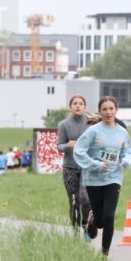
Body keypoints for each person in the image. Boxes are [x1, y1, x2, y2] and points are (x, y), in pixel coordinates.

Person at [73, 96, 131, 256]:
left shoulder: (122, 132)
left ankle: (104, 253)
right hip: (93, 179)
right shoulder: (93, 131)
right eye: (104, 109)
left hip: (113, 178)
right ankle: (93, 219)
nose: (108, 112)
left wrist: (126, 160)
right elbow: (78, 151)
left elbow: (128, 150)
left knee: (109, 215)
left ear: (116, 110)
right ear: (100, 111)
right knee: (100, 221)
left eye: (111, 109)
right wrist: (96, 164)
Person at [57, 95, 93, 235]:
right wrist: (67, 145)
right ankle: (75, 231)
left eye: (80, 103)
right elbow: (59, 146)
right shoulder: (64, 124)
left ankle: (85, 223)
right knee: (73, 201)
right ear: (70, 107)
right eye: (75, 103)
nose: (78, 106)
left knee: (85, 199)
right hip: (70, 168)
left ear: (85, 106)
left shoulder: (91, 123)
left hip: (86, 167)